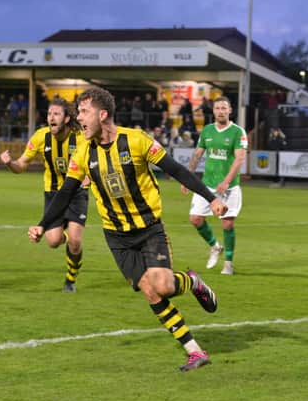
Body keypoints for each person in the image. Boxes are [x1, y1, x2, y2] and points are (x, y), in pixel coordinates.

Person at [28, 87, 226, 371]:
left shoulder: (136, 141)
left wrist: (211, 198)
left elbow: (176, 170)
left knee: (165, 286)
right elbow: (65, 193)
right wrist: (43, 224)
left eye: (84, 111)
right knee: (150, 291)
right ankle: (194, 351)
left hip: (149, 228)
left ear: (103, 114)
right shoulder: (83, 151)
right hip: (117, 236)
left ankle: (192, 282)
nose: (78, 117)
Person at [0, 98, 88, 293]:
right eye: (49, 114)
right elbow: (22, 164)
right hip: (53, 193)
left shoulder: (80, 137)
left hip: (76, 192)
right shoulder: (40, 137)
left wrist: (88, 176)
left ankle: (70, 280)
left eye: (56, 114)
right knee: (53, 241)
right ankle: (64, 233)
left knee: (75, 241)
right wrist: (9, 163)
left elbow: (93, 160)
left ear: (66, 118)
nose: (51, 117)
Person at [181, 96, 247, 275]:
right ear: (214, 111)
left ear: (230, 110)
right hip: (207, 185)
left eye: (224, 108)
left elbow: (240, 158)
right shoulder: (207, 130)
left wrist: (226, 181)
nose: (220, 111)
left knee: (227, 224)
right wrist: (187, 178)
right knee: (195, 219)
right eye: (217, 108)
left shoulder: (237, 132)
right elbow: (197, 154)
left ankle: (228, 263)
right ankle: (215, 246)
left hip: (229, 187)